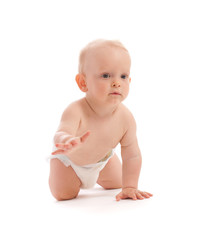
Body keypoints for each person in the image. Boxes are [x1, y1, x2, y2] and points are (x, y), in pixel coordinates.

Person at [48, 39, 153, 201]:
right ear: (83, 83)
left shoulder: (126, 118)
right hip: (69, 162)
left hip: (102, 160)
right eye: (106, 75)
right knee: (64, 195)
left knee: (119, 181)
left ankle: (102, 173)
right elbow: (62, 131)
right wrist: (67, 140)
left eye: (123, 76)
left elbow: (132, 155)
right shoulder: (76, 110)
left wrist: (130, 186)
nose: (117, 83)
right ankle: (66, 175)